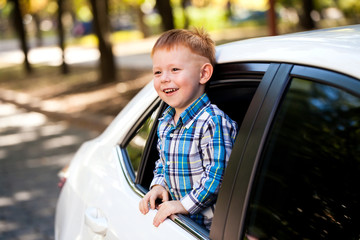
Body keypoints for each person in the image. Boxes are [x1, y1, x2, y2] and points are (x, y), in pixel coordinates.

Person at [139, 28, 238, 230]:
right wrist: (159, 185)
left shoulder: (212, 122)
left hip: (209, 228)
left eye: (174, 70)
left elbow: (218, 176)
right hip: (180, 224)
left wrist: (183, 205)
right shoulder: (165, 121)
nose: (164, 78)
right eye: (158, 72)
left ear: (203, 73)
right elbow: (163, 162)